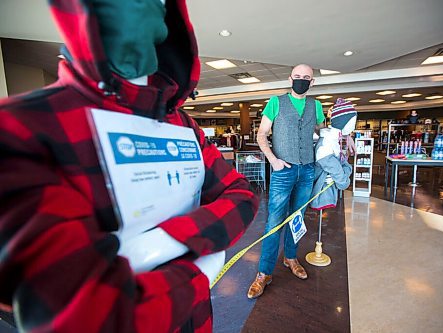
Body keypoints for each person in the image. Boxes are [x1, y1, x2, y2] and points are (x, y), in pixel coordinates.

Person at [0, 0, 258, 332]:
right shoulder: (21, 128)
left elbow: (241, 195)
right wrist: (199, 268)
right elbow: (83, 316)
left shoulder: (182, 124)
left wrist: (165, 241)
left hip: (197, 322)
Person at [247, 64, 325, 299]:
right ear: (290, 78)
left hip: (307, 171)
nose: (301, 80)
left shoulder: (316, 105)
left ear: (312, 83)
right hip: (283, 171)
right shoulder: (276, 102)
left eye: (306, 78)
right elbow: (261, 134)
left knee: (297, 218)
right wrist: (273, 160)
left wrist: (346, 137)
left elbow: (323, 132)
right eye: (297, 76)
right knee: (274, 223)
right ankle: (264, 273)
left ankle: (290, 258)